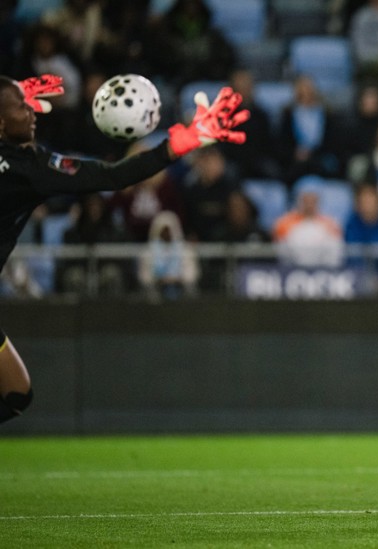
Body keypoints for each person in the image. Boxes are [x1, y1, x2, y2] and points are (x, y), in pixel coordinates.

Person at [0, 73, 250, 425]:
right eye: (21, 107)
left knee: (16, 395)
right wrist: (178, 144)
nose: (32, 111)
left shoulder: (27, 165)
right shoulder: (30, 170)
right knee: (15, 396)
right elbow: (112, 176)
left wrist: (11, 92)